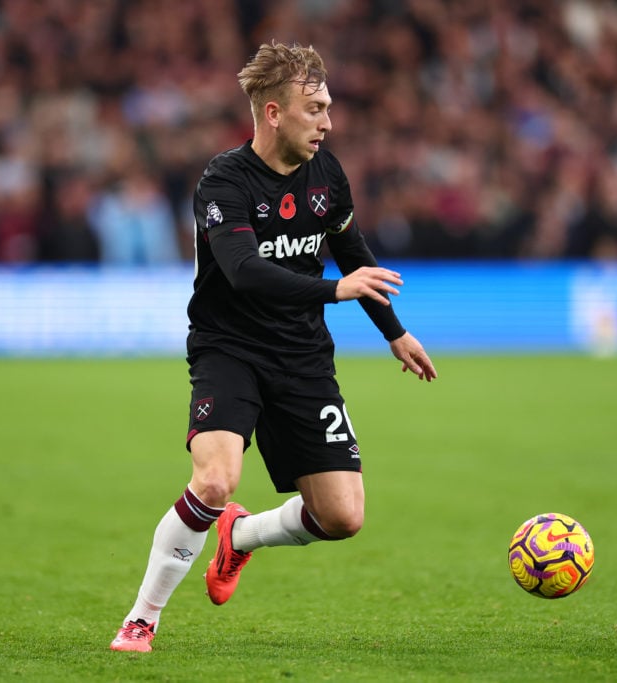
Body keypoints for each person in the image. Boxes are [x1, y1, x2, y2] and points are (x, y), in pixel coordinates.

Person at [110, 42, 438, 653]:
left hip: (302, 355)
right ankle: (142, 618)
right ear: (273, 113)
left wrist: (395, 332)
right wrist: (335, 291)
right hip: (229, 347)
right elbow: (244, 271)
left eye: (329, 107)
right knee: (214, 482)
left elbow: (354, 257)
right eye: (314, 108)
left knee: (342, 517)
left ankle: (241, 539)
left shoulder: (327, 175)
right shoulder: (223, 181)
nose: (328, 122)